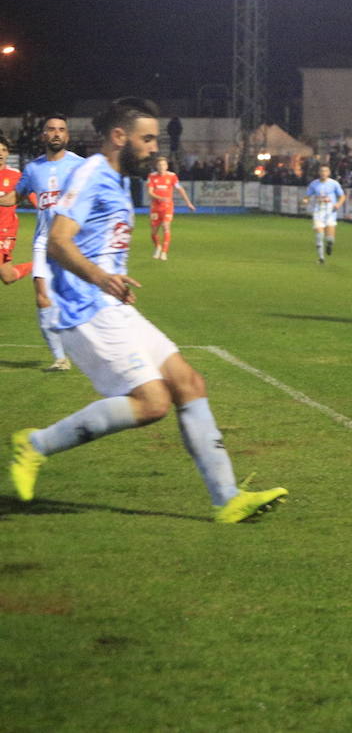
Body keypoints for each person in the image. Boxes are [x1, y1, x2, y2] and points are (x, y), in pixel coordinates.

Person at [8, 98, 287, 523]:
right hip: (85, 308)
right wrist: (102, 279)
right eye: (148, 139)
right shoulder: (90, 174)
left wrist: (113, 282)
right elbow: (58, 241)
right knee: (153, 401)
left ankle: (227, 498)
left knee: (189, 382)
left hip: (111, 305)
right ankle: (37, 445)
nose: (155, 147)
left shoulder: (117, 180)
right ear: (119, 137)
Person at [16, 114, 85, 371]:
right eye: (51, 129)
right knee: (42, 297)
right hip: (43, 241)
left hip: (72, 242)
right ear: (43, 135)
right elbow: (15, 195)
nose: (56, 133)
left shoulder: (81, 166)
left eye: (61, 130)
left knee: (75, 299)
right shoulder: (33, 169)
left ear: (67, 136)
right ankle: (60, 358)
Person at [146, 155, 196, 260]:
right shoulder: (152, 176)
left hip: (167, 207)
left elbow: (180, 189)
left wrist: (188, 203)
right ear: (156, 166)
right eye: (159, 164)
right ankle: (158, 247)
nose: (162, 166)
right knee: (154, 232)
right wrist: (160, 197)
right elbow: (150, 192)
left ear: (167, 166)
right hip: (155, 207)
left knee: (165, 226)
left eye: (164, 164)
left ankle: (164, 252)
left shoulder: (172, 176)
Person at [0, 136, 33, 285]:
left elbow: (35, 198)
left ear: (8, 153)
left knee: (7, 276)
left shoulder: (15, 176)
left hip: (4, 232)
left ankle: (42, 264)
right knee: (8, 276)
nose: (0, 153)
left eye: (4, 150)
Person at [302, 164, 345, 263]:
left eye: (325, 171)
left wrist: (338, 204)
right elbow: (307, 196)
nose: (323, 173)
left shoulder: (334, 184)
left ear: (329, 173)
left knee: (330, 239)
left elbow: (342, 196)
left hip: (330, 212)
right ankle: (321, 258)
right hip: (318, 211)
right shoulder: (314, 184)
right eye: (322, 171)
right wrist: (305, 200)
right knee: (319, 235)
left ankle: (329, 245)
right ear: (319, 173)